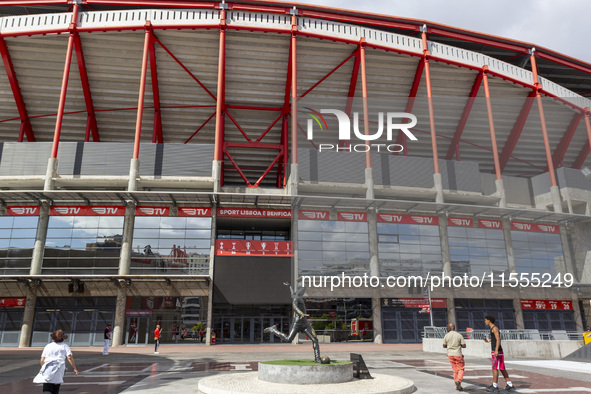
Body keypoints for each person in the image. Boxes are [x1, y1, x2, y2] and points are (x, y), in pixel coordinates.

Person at [33, 329, 78, 394]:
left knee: (47, 386)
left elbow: (42, 359)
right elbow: (69, 357)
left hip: (48, 366)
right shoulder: (65, 346)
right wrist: (74, 368)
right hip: (59, 367)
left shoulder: (48, 346)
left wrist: (43, 367)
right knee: (56, 386)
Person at [484, 315, 514, 392]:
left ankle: (495, 386)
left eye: (486, 320)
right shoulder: (492, 329)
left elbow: (498, 339)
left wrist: (496, 350)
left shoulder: (495, 328)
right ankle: (510, 384)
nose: (485, 322)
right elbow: (494, 339)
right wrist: (489, 340)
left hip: (497, 351)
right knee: (501, 368)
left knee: (495, 368)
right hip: (497, 351)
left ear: (489, 321)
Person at [443, 323, 466, 391]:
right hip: (458, 354)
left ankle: (457, 385)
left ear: (449, 328)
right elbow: (464, 345)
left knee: (455, 370)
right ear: (454, 327)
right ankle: (458, 381)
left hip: (450, 354)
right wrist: (459, 345)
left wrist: (449, 345)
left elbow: (444, 345)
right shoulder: (459, 335)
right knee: (461, 369)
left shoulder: (446, 335)